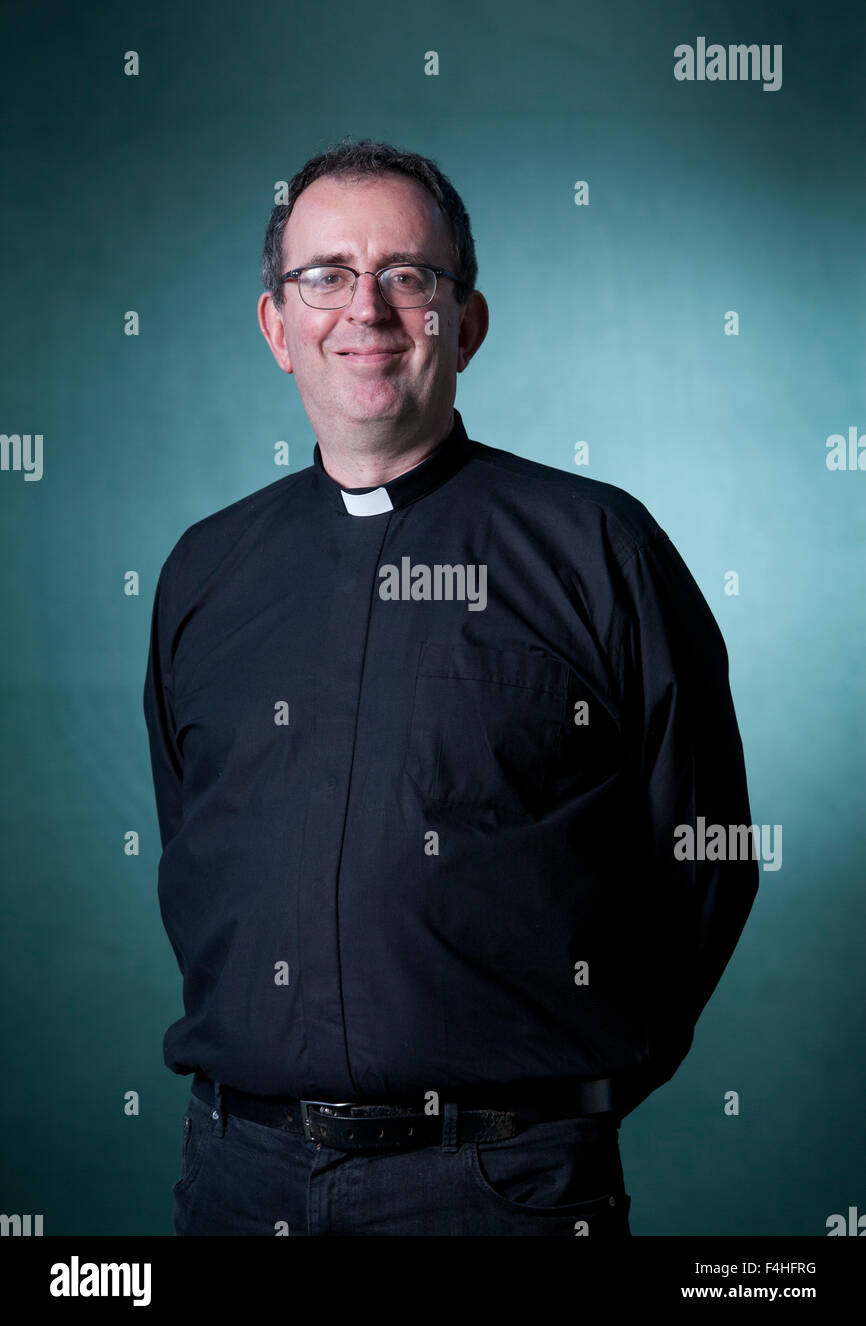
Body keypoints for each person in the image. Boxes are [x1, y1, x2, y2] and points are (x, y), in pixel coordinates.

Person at [143, 137, 759, 1237]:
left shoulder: (595, 548)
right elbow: (193, 843)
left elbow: (705, 854)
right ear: (276, 327)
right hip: (237, 1180)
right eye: (323, 275)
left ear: (464, 323)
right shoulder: (204, 570)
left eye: (407, 277)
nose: (364, 310)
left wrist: (570, 1098)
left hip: (500, 1192)